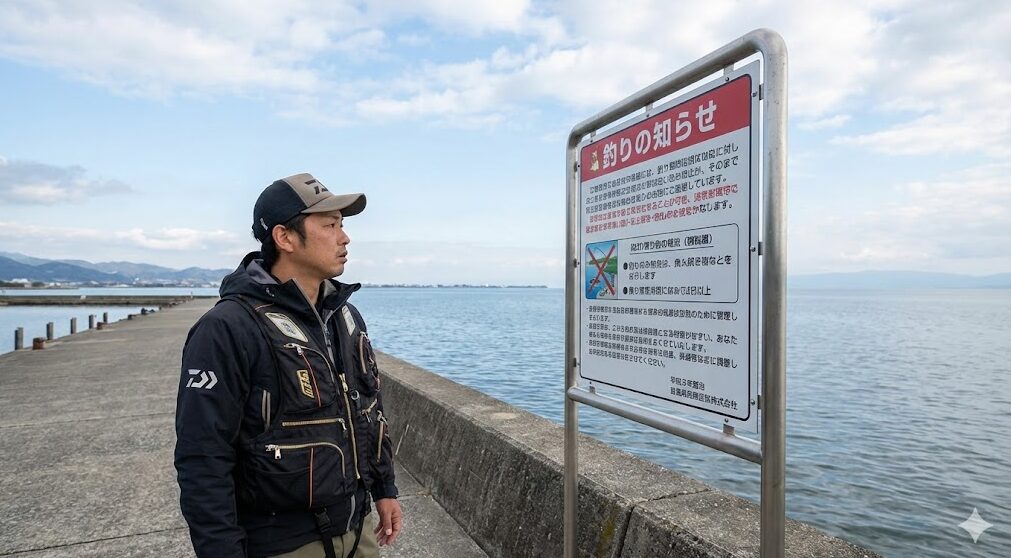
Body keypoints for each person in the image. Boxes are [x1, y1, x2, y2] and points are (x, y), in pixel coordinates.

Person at [175, 173, 402, 558]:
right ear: (284, 237)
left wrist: (383, 489)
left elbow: (366, 410)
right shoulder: (227, 328)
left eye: (342, 226)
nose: (344, 238)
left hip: (358, 528)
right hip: (283, 543)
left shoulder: (344, 317)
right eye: (330, 226)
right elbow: (203, 458)